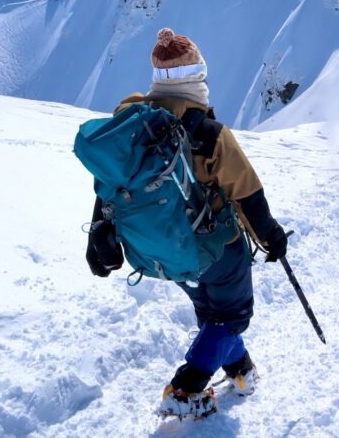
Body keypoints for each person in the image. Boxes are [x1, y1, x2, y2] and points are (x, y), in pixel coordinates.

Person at [84, 28, 288, 417]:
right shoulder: (209, 134)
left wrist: (99, 233)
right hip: (213, 248)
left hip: (159, 248)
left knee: (212, 312)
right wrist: (271, 237)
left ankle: (240, 370)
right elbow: (247, 193)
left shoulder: (131, 124)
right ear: (197, 76)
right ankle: (185, 388)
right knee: (231, 315)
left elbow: (109, 183)